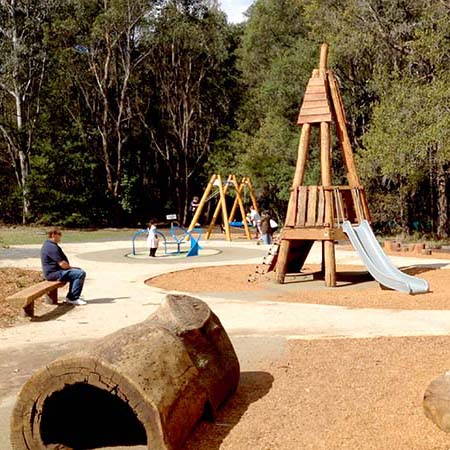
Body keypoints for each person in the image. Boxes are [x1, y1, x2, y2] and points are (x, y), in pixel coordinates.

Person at [40, 228, 87, 306]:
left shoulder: (49, 245)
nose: (60, 237)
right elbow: (62, 264)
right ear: (53, 235)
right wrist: (72, 268)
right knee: (79, 273)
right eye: (59, 235)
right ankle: (72, 298)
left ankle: (72, 296)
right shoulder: (51, 247)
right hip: (53, 274)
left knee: (76, 272)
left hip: (55, 272)